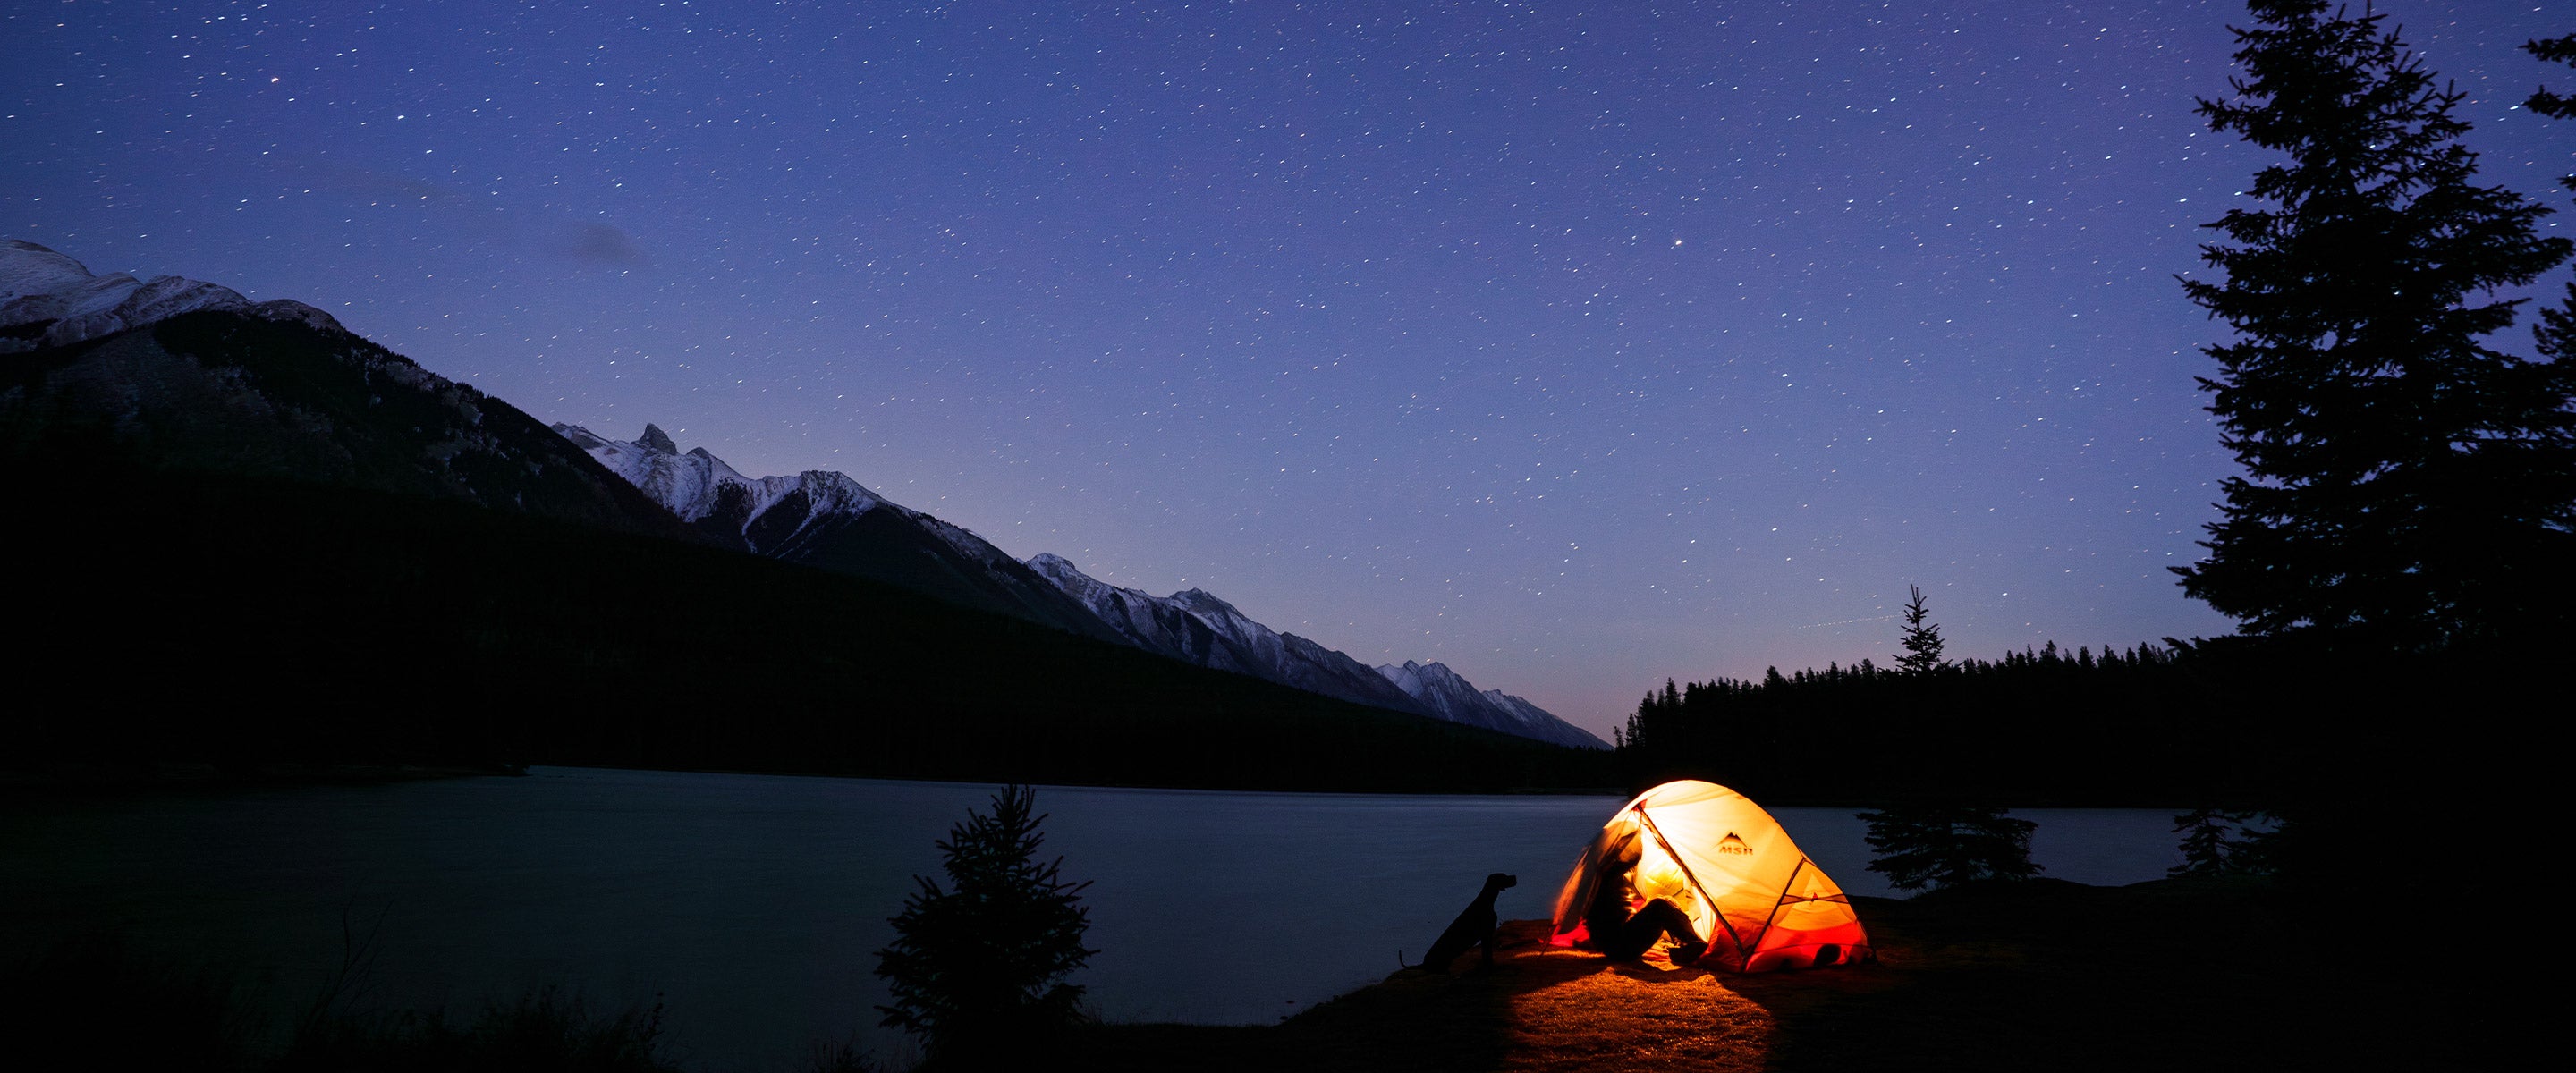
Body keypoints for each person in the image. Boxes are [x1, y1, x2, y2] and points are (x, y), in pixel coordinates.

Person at [1583, 835, 1709, 966]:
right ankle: (1694, 944)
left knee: (1666, 900)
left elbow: (1631, 861)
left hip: (1623, 936)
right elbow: (1632, 858)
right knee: (1659, 906)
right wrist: (1637, 833)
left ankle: (1686, 945)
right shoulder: (1605, 875)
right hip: (1619, 946)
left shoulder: (1612, 873)